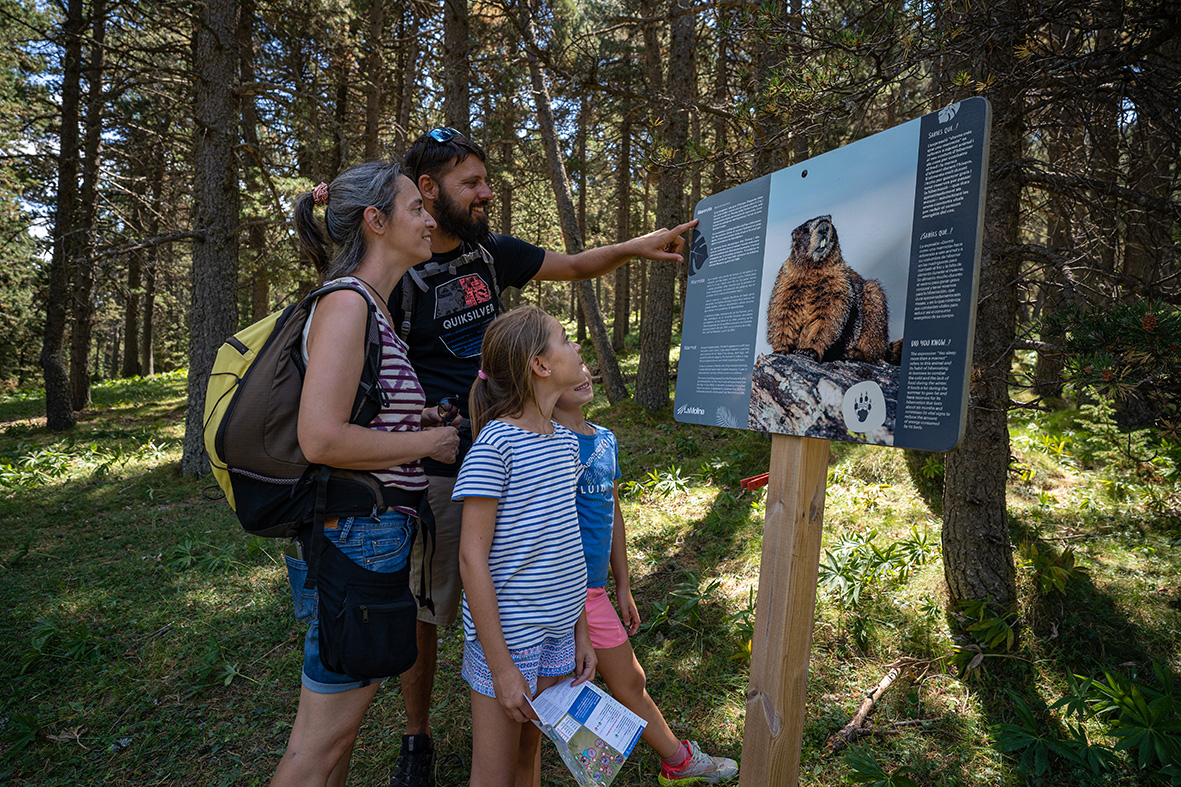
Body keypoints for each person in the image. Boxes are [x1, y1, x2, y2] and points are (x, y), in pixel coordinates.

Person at [389, 126, 697, 785]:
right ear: (426, 189)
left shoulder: (489, 253)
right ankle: (418, 735)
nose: (485, 192)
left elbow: (578, 263)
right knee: (430, 607)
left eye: (485, 179)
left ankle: (515, 674)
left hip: (518, 455)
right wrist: (429, 435)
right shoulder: (398, 269)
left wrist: (638, 248)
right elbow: (377, 371)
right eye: (470, 182)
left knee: (519, 575)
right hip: (446, 469)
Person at [270, 161, 460, 787]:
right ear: (376, 223)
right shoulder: (350, 303)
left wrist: (417, 418)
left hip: (367, 537)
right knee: (319, 745)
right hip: (359, 539)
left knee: (335, 735)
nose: (430, 218)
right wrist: (433, 439)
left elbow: (361, 414)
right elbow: (321, 436)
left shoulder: (370, 306)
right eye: (415, 208)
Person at [552, 365, 740, 785]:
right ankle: (673, 758)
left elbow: (612, 514)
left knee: (626, 681)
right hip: (561, 591)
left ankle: (676, 762)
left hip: (595, 593)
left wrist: (622, 585)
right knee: (564, 689)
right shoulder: (546, 443)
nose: (582, 374)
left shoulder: (605, 439)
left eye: (584, 366)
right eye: (570, 370)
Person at [452, 305, 597, 786]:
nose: (576, 347)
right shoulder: (496, 446)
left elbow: (566, 544)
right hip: (509, 642)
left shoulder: (563, 442)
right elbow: (472, 558)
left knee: (528, 758)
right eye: (565, 338)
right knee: (494, 773)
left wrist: (579, 632)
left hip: (557, 633)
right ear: (540, 365)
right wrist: (501, 667)